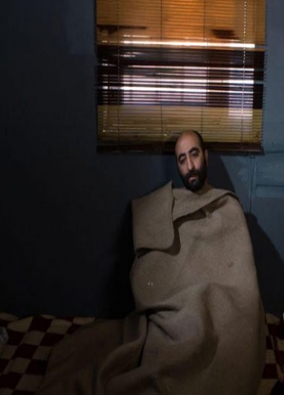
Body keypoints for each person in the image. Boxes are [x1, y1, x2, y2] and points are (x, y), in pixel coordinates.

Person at [37, 130, 266, 394]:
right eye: (182, 159)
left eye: (194, 155)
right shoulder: (169, 205)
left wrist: (215, 302)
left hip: (223, 310)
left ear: (206, 156)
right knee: (183, 338)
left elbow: (244, 284)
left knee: (236, 342)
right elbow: (151, 273)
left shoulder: (228, 206)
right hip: (180, 311)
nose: (190, 166)